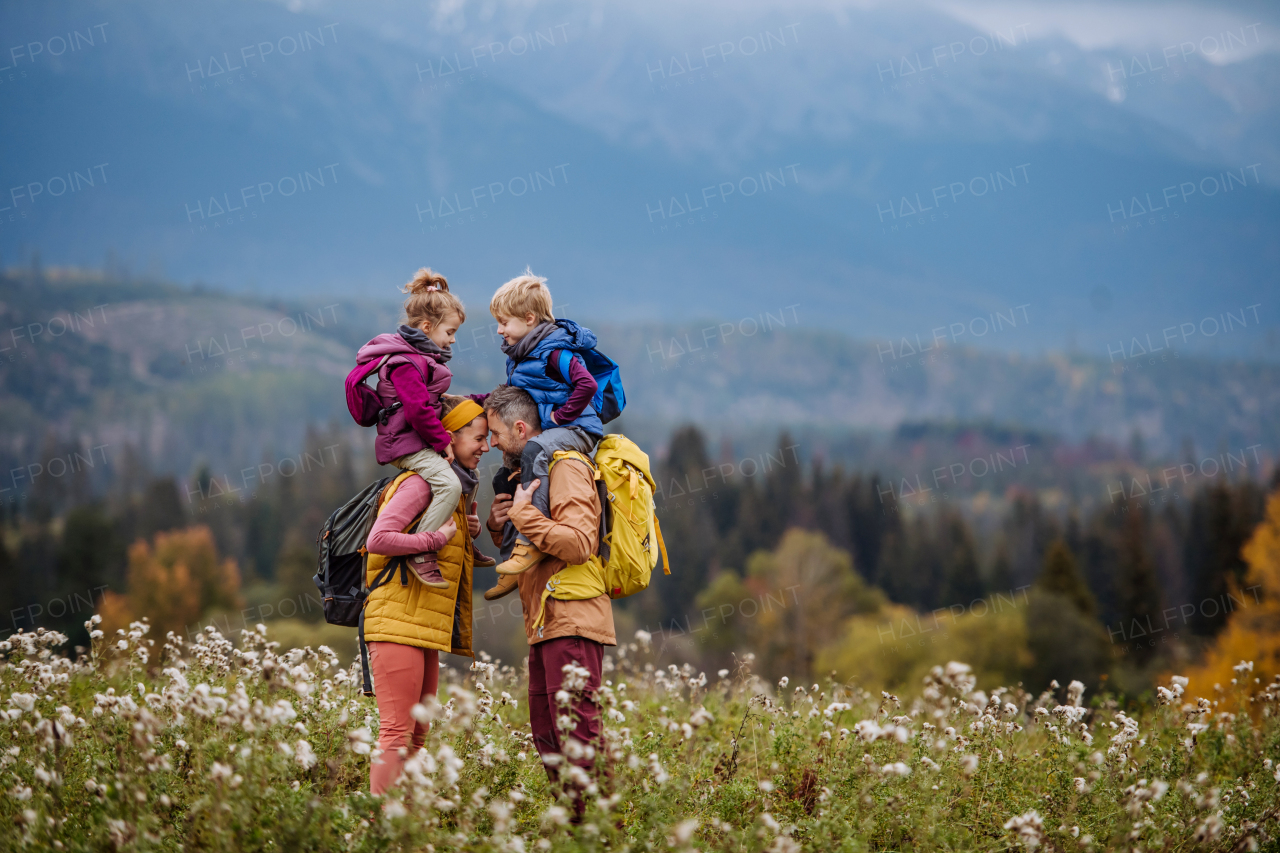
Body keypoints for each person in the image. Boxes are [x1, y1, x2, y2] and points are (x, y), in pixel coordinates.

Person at [484, 385, 614, 819]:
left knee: (577, 739)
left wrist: (524, 516)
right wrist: (502, 526)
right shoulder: (531, 472)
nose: (492, 445)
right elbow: (534, 548)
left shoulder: (567, 466)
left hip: (573, 618)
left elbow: (579, 543)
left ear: (521, 428)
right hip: (544, 621)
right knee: (550, 738)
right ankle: (579, 830)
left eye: (497, 434)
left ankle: (601, 834)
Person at [361, 394, 489, 794]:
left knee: (416, 739)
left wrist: (467, 533)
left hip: (422, 627)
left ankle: (407, 826)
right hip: (397, 622)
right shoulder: (420, 483)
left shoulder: (453, 491)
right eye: (479, 438)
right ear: (448, 437)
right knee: (396, 735)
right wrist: (437, 536)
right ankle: (384, 831)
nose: (486, 447)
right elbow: (378, 539)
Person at [346, 267, 495, 584]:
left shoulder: (423, 358)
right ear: (427, 327)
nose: (453, 340)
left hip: (415, 439)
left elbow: (438, 401)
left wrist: (485, 398)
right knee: (450, 484)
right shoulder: (404, 363)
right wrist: (442, 441)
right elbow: (416, 411)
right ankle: (421, 550)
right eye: (450, 332)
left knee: (470, 474)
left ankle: (467, 539)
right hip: (404, 444)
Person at [486, 269, 611, 588]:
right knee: (507, 474)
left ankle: (529, 543)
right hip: (559, 426)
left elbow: (585, 384)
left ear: (529, 319)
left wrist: (560, 417)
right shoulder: (523, 355)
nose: (499, 330)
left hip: (579, 428)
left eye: (504, 322)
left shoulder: (554, 351)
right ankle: (512, 557)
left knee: (535, 449)